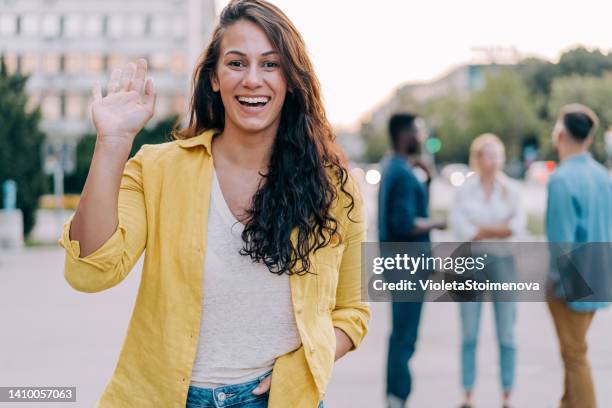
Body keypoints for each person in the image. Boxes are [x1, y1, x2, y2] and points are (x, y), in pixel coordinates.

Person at [58, 1, 370, 407]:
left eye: (271, 64)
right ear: (215, 79)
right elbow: (89, 273)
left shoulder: (334, 187)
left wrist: (308, 361)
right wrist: (112, 144)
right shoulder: (157, 170)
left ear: (291, 79)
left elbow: (353, 311)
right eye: (236, 63)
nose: (253, 80)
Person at [450, 133, 526, 408]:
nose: (494, 160)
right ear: (478, 158)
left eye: (498, 155)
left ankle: (507, 394)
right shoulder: (463, 191)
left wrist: (484, 230)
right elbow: (462, 229)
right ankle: (467, 394)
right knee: (469, 332)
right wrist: (497, 229)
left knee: (507, 331)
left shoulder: (512, 190)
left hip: (505, 262)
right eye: (489, 155)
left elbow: (516, 227)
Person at [546, 103, 612, 408]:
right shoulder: (603, 177)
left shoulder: (561, 179)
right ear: (588, 138)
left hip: (572, 284)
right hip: (600, 276)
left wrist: (553, 284)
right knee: (574, 352)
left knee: (575, 358)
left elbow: (562, 243)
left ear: (560, 134)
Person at [378, 113, 446, 408]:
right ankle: (398, 397)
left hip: (398, 263)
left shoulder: (394, 167)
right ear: (405, 135)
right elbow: (404, 223)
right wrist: (437, 224)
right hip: (407, 265)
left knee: (401, 334)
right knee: (405, 337)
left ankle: (395, 396)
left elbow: (408, 210)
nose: (422, 135)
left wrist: (427, 180)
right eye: (419, 130)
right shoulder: (402, 174)